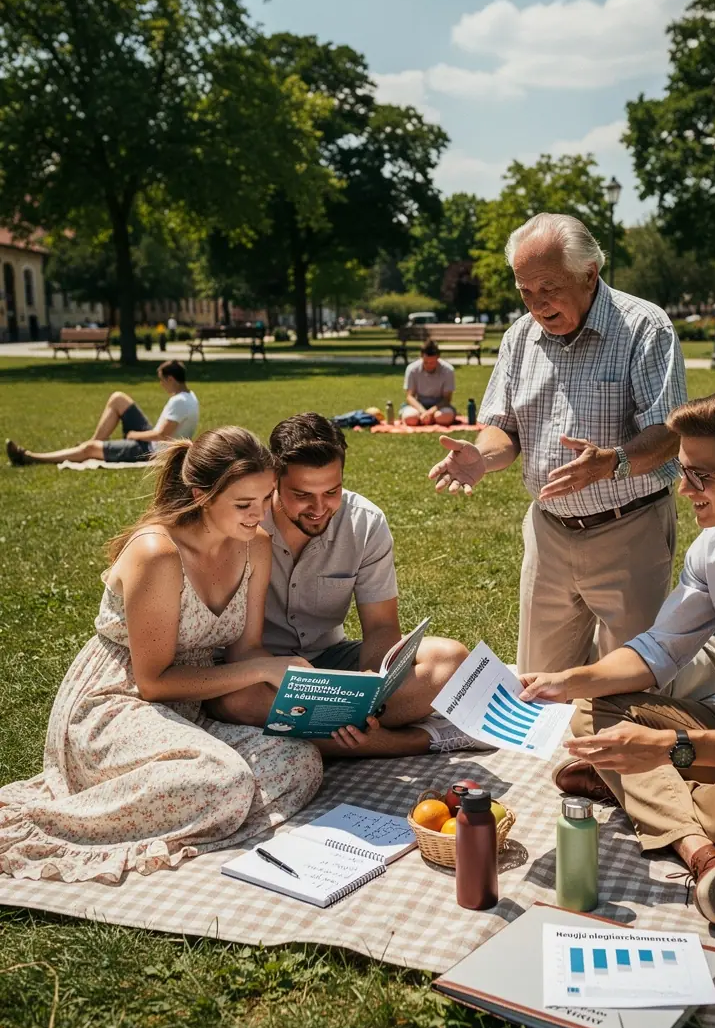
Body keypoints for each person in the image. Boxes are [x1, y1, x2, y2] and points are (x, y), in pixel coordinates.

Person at [524, 390, 715, 928]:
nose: (683, 489)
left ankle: (642, 791)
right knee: (595, 710)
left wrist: (673, 749)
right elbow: (659, 651)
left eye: (699, 476)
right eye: (682, 471)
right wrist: (569, 679)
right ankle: (699, 849)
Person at [0, 427, 323, 883]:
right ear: (201, 495)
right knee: (225, 780)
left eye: (267, 498)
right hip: (116, 703)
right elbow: (154, 682)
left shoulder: (257, 545)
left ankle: (203, 811)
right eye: (244, 504)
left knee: (299, 762)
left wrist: (298, 690)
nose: (261, 515)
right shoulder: (158, 553)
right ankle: (59, 823)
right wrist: (263, 669)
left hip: (187, 706)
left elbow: (246, 648)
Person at [428, 213, 691, 675]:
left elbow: (669, 433)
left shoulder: (646, 327)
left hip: (628, 527)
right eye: (525, 291)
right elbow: (502, 429)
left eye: (548, 287)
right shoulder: (520, 338)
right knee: (540, 686)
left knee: (628, 691)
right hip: (550, 532)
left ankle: (705, 659)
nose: (536, 304)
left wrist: (613, 462)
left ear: (589, 274)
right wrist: (481, 458)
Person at [211, 413, 478, 757]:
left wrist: (364, 689)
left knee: (450, 661)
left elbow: (382, 627)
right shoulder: (246, 525)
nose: (320, 508)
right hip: (261, 672)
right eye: (302, 494)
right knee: (235, 700)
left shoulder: (365, 523)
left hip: (329, 661)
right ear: (273, 481)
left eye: (332, 491)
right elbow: (240, 650)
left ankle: (325, 737)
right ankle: (387, 743)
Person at [5, 359, 200, 466]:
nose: (161, 384)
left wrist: (134, 435)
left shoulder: (179, 402)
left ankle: (30, 457)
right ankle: (91, 444)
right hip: (155, 443)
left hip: (152, 451)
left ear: (171, 379)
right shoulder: (190, 396)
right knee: (118, 398)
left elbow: (161, 435)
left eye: (162, 380)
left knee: (90, 450)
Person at [401, 340, 456, 426]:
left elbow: (447, 399)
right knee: (410, 418)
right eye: (426, 362)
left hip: (440, 407)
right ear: (421, 357)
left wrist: (430, 412)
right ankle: (425, 419)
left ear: (438, 357)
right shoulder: (412, 369)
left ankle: (427, 419)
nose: (429, 365)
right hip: (418, 406)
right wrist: (423, 412)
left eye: (432, 362)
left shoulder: (448, 370)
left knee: (443, 417)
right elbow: (410, 396)